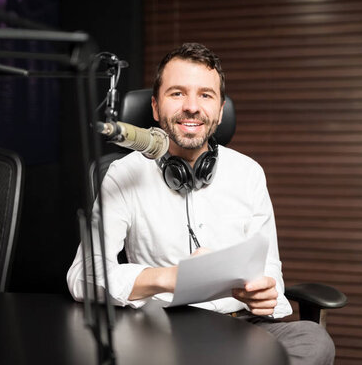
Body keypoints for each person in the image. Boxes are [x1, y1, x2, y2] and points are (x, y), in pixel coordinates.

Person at [67, 42, 335, 365]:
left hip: (244, 327)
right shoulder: (123, 175)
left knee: (315, 341)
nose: (192, 107)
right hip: (167, 331)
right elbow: (83, 275)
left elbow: (270, 274)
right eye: (177, 93)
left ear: (220, 110)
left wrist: (265, 295)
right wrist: (166, 278)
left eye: (205, 95)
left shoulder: (249, 174)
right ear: (155, 106)